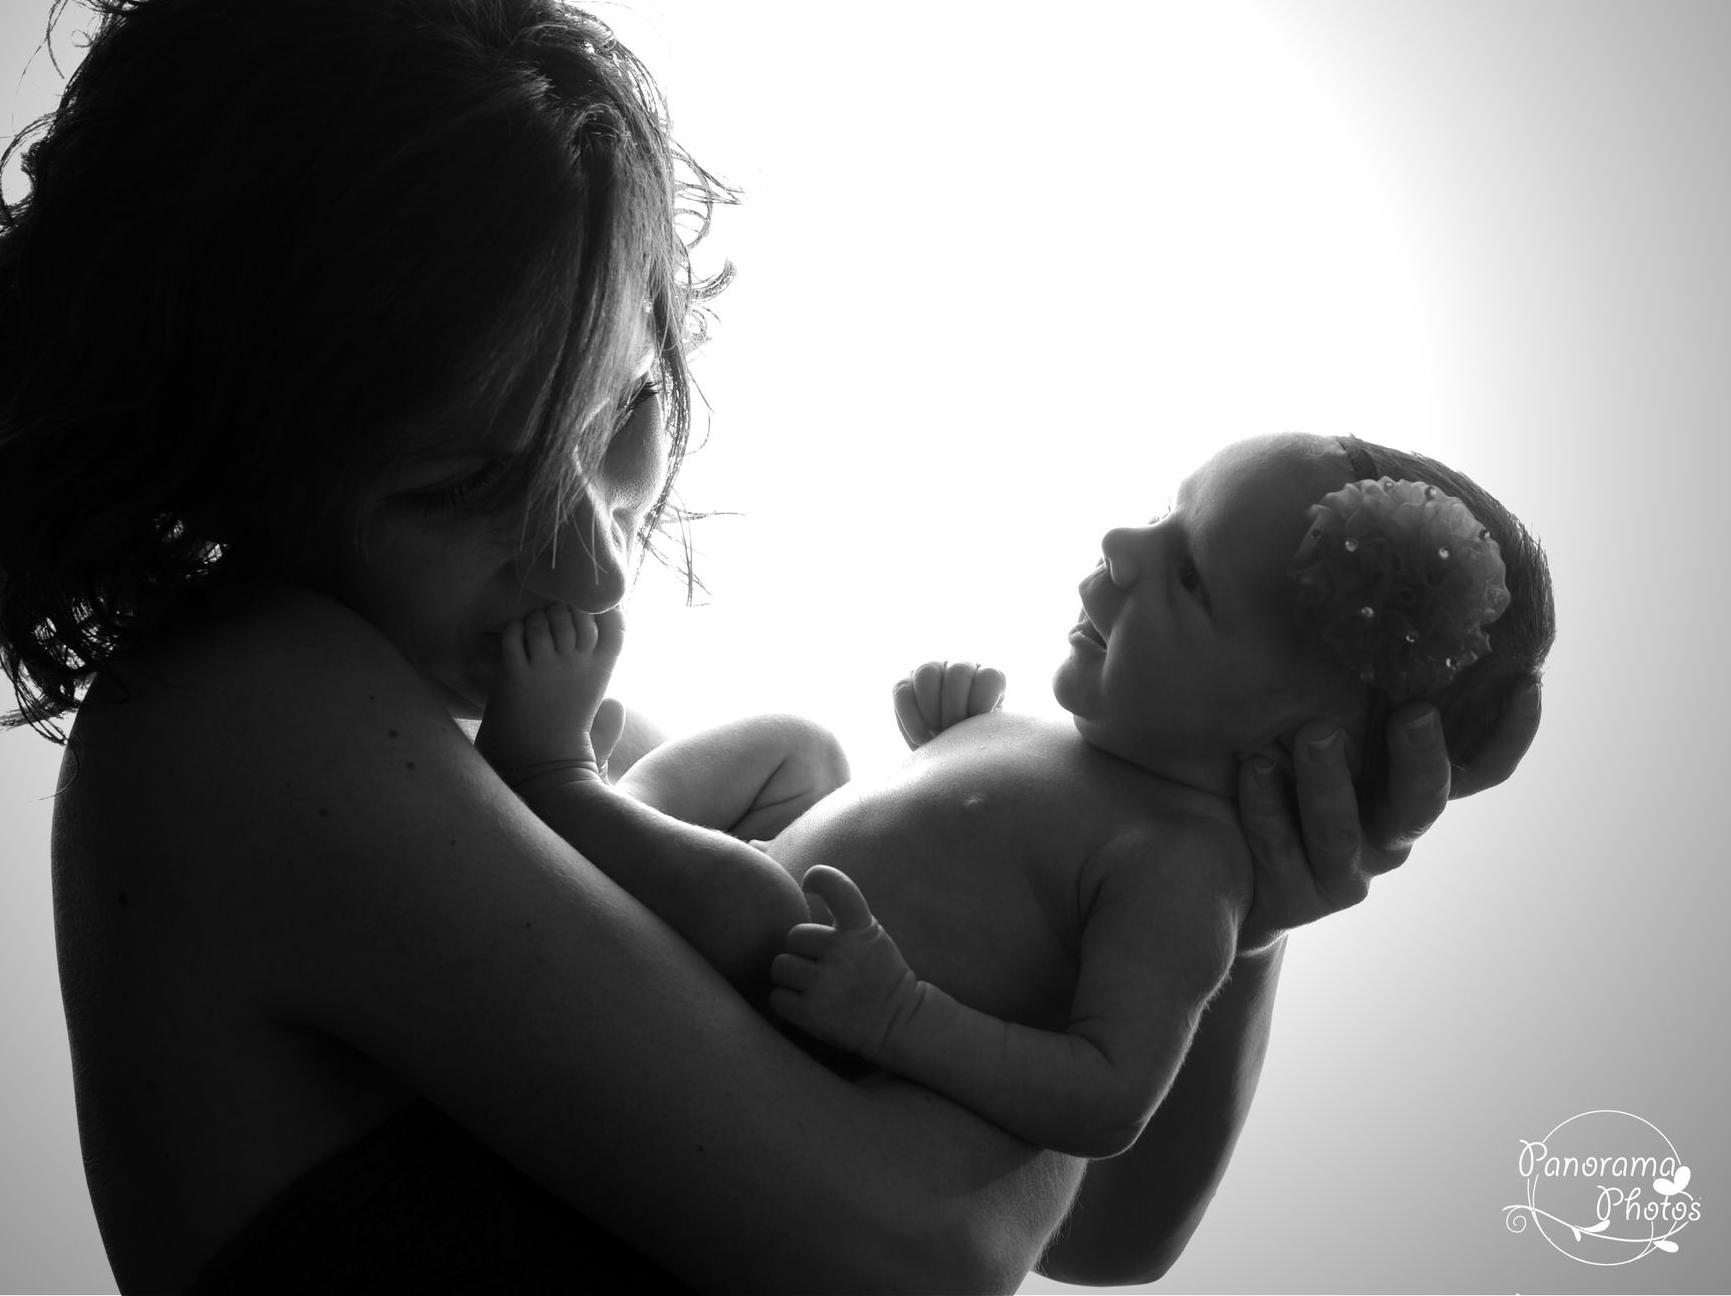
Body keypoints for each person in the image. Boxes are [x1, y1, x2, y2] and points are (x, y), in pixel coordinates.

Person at [0, 0, 1541, 1293]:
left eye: (623, 426)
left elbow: (1108, 1241)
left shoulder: (602, 779)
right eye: (460, 490)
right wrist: (1126, 920)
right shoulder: (245, 713)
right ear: (235, 457)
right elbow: (920, 1245)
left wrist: (1223, 898)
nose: (593, 559)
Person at [475, 431, 1554, 1163]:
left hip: (799, 993)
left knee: (769, 909)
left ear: (1290, 737)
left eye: (1188, 573)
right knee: (797, 746)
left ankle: (557, 785)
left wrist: (902, 1015)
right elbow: (966, 851)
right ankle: (620, 804)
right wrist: (947, 746)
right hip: (774, 894)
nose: (1124, 546)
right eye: (1163, 515)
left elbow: (1107, 1092)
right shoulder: (1082, 750)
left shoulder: (1184, 866)